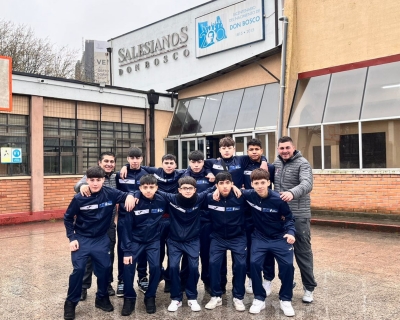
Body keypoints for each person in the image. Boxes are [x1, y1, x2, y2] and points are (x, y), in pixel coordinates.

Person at [63, 166, 136, 320]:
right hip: (82, 238)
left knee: (104, 269)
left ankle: (101, 298)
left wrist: (130, 195)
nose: (95, 183)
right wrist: (72, 238)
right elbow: (68, 218)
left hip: (101, 239)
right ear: (87, 180)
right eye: (91, 180)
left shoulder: (111, 194)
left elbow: (129, 194)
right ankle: (71, 303)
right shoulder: (79, 198)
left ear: (104, 180)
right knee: (79, 269)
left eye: (98, 180)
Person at [242, 168, 296, 316]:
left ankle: (286, 300)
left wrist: (291, 233)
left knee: (287, 266)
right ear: (251, 184)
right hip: (260, 237)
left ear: (269, 183)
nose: (260, 186)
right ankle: (259, 298)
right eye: (256, 183)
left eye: (263, 182)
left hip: (280, 237)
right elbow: (233, 190)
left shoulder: (279, 199)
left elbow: (289, 219)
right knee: (253, 263)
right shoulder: (249, 195)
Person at [157, 176, 214, 312]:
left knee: (194, 268)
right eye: (184, 188)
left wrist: (233, 187)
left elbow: (214, 187)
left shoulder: (199, 198)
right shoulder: (172, 198)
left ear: (195, 189)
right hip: (174, 240)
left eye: (190, 188)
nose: (187, 191)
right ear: (179, 189)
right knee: (173, 267)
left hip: (192, 240)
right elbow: (154, 190)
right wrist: (133, 194)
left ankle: (192, 297)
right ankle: (176, 298)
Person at [273, 136, 317, 303]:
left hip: (299, 215)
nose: (284, 151)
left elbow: (307, 184)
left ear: (293, 148)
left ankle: (309, 287)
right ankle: (287, 283)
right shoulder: (275, 164)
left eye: (287, 148)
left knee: (302, 252)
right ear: (278, 149)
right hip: (280, 216)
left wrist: (292, 192)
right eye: (281, 148)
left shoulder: (302, 163)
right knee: (283, 253)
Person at [120, 174, 167, 315]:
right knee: (128, 268)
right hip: (135, 240)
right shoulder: (133, 202)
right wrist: (127, 250)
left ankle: (150, 296)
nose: (148, 190)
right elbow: (126, 227)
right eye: (145, 187)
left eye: (151, 187)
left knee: (156, 268)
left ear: (156, 188)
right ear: (140, 188)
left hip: (153, 240)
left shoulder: (162, 200)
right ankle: (129, 298)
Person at [73, 151, 118, 301]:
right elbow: (78, 184)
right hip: (90, 227)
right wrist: (83, 186)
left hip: (108, 226)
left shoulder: (117, 177)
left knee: (108, 256)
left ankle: (107, 284)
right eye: (106, 161)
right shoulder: (93, 176)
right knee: (87, 258)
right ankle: (83, 287)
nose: (109, 164)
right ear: (99, 162)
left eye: (112, 161)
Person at [205, 172, 247, 312]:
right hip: (218, 237)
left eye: (227, 183)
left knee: (240, 265)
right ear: (216, 185)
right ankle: (216, 295)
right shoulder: (210, 198)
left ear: (232, 183)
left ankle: (238, 297)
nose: (224, 186)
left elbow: (257, 193)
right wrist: (213, 190)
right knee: (213, 264)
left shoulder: (241, 197)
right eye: (221, 184)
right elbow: (195, 196)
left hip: (238, 236)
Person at [115, 147, 150, 296]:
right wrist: (128, 195)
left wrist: (136, 193)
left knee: (142, 249)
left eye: (137, 158)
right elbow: (114, 191)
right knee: (123, 249)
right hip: (124, 217)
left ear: (142, 159)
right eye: (132, 158)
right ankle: (122, 280)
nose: (135, 161)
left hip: (142, 218)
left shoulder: (147, 174)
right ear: (128, 159)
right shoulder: (120, 175)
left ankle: (142, 277)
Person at [242, 139, 275, 295]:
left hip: (265, 214)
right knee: (250, 247)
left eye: (257, 149)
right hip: (247, 214)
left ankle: (268, 279)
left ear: (262, 151)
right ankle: (251, 277)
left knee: (267, 248)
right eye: (251, 149)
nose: (254, 151)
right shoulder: (243, 164)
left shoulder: (270, 167)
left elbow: (275, 188)